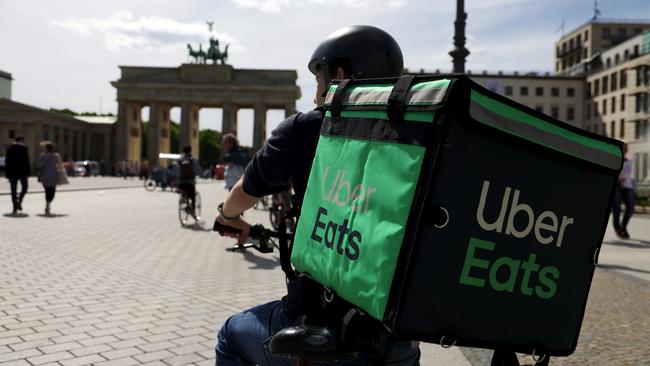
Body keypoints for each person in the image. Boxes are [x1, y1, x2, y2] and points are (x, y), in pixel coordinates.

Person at [213, 26, 419, 365]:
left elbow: (244, 192)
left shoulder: (307, 128)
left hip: (325, 334)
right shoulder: (417, 134)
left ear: (338, 74)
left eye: (318, 79)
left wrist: (229, 216)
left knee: (231, 336)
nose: (315, 94)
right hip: (397, 342)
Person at [612, 143, 635, 238]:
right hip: (617, 186)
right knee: (617, 209)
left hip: (628, 186)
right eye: (623, 147)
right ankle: (618, 229)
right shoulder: (614, 159)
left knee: (630, 209)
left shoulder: (630, 160)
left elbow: (629, 174)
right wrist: (617, 179)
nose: (624, 149)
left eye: (626, 148)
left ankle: (623, 227)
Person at [5, 136, 30, 214]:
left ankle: (14, 206)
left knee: (13, 190)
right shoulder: (24, 148)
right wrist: (28, 172)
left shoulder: (10, 148)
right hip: (22, 172)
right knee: (25, 188)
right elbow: (27, 161)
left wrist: (7, 173)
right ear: (21, 140)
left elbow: (7, 161)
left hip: (12, 173)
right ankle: (19, 200)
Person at [37, 141, 62, 215]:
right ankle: (48, 204)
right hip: (54, 176)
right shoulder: (56, 156)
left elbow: (39, 165)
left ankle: (47, 204)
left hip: (44, 176)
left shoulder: (42, 155)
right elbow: (60, 166)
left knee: (47, 191)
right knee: (52, 192)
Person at [176, 145, 202, 217]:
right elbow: (198, 170)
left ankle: (183, 201)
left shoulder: (179, 160)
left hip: (181, 182)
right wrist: (202, 174)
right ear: (190, 151)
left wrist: (176, 182)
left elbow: (176, 172)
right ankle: (193, 212)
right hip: (190, 182)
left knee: (183, 192)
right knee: (193, 197)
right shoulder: (193, 160)